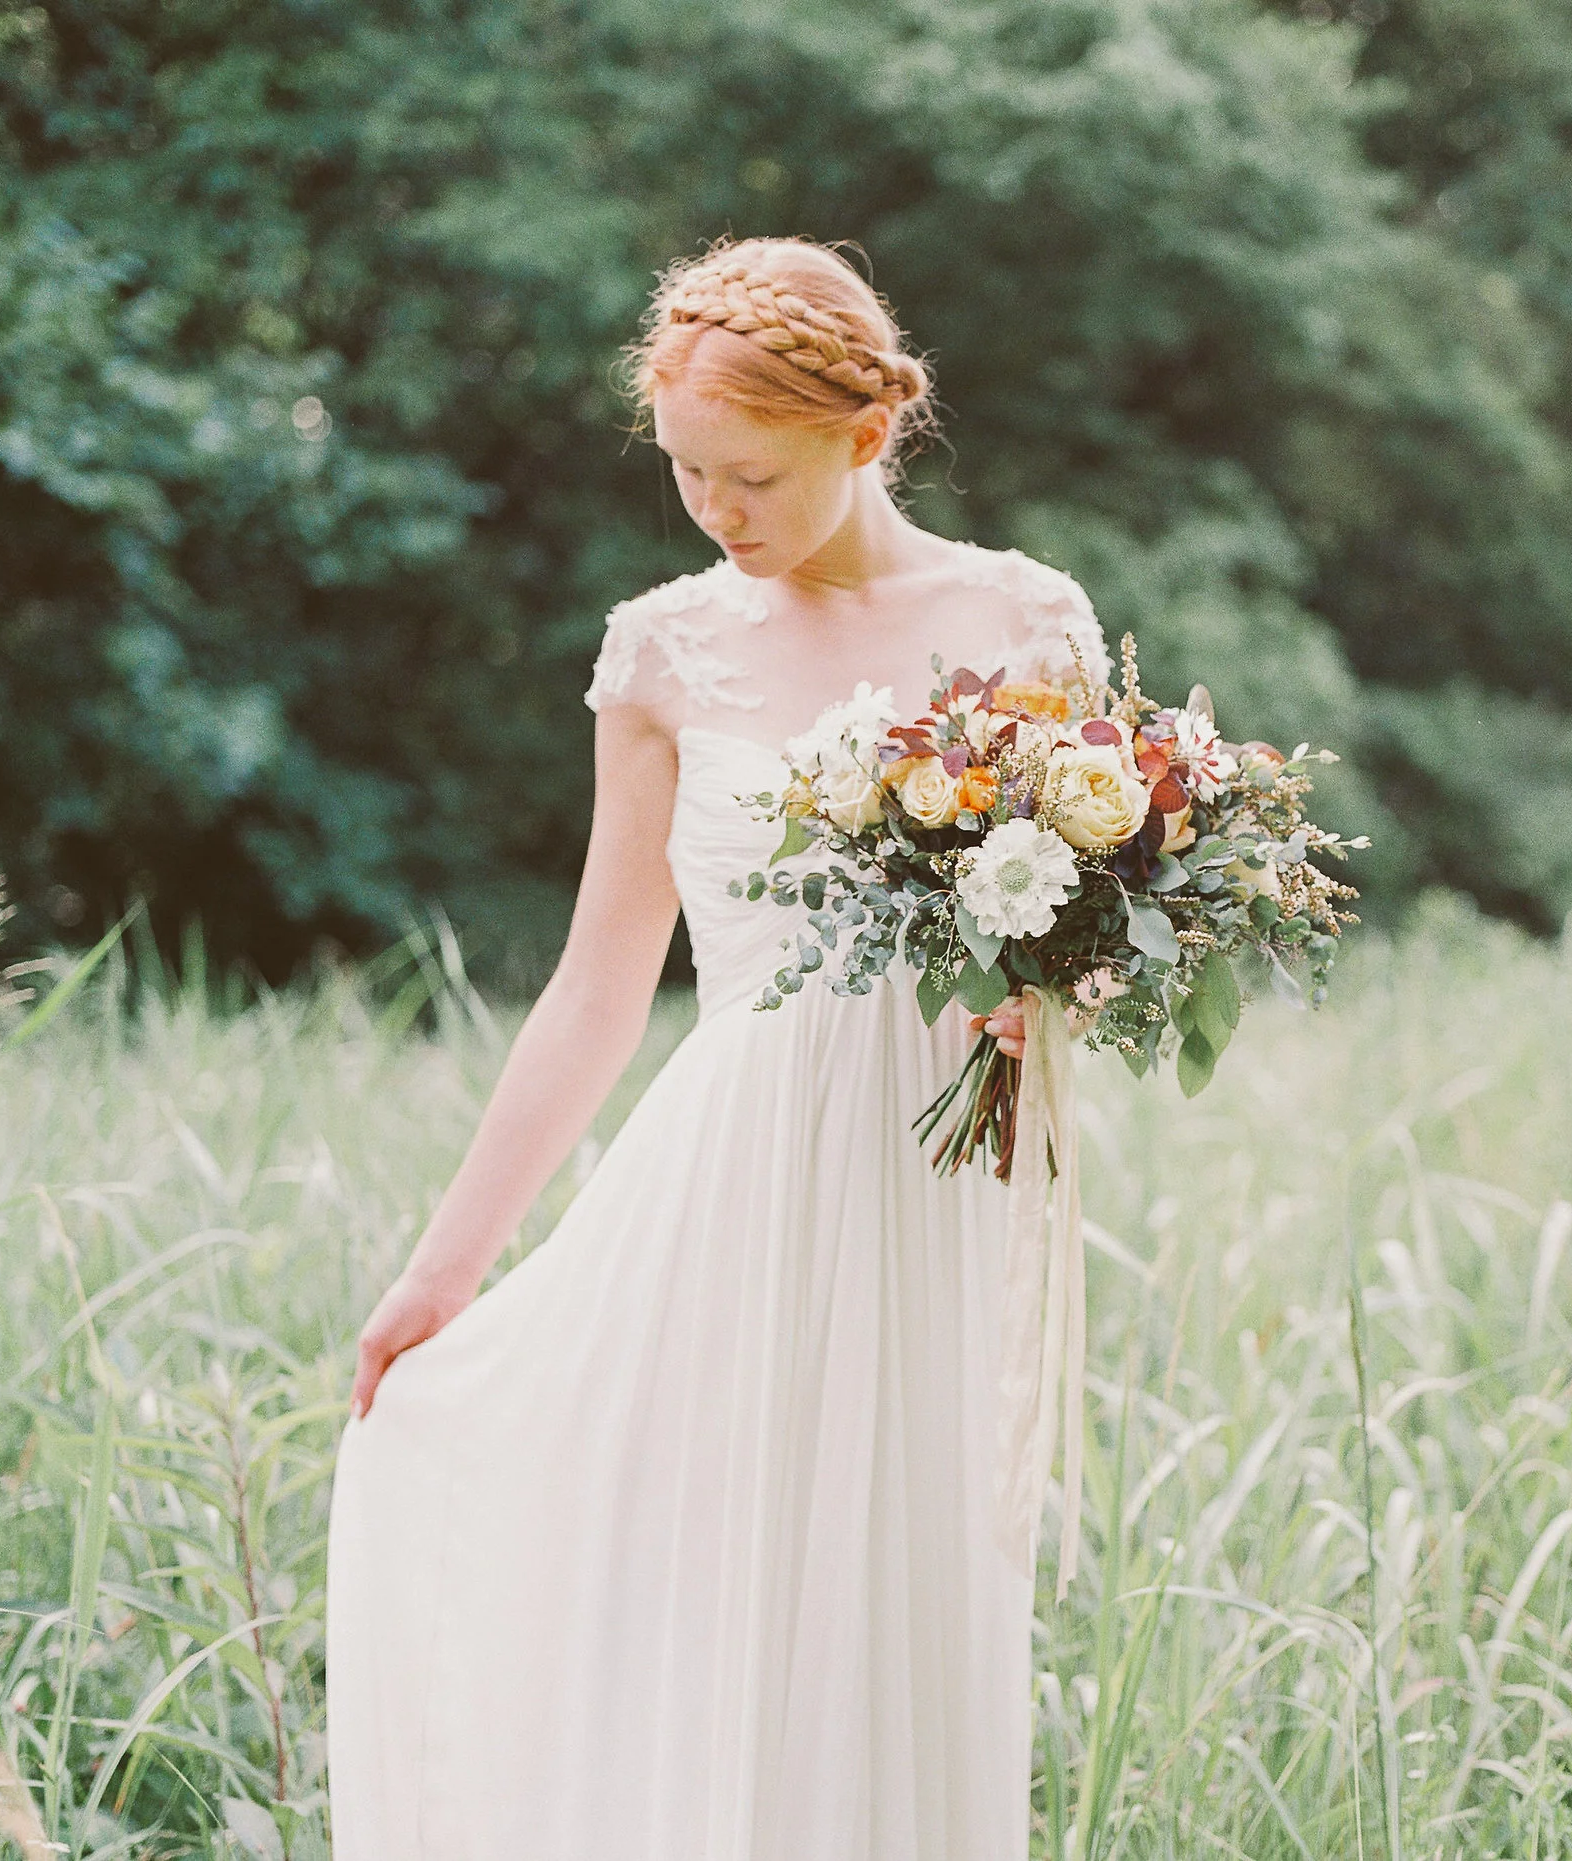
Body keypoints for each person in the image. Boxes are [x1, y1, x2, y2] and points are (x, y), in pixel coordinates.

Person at [322, 235, 1111, 1861]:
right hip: (725, 1187)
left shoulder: (1026, 620)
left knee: (892, 1603)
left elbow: (1084, 964)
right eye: (685, 472)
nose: (716, 513)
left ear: (866, 433)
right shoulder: (666, 649)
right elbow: (603, 979)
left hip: (933, 1184)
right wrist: (443, 1267)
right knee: (697, 1603)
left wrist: (1037, 998)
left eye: (749, 475)